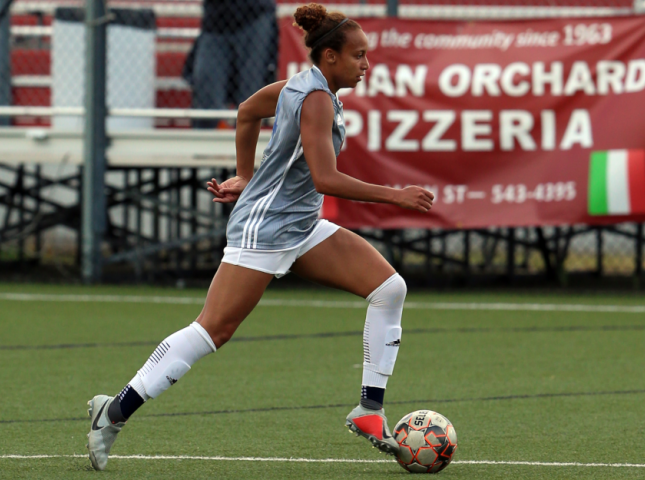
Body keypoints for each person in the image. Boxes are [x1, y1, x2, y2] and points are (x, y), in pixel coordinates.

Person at [86, 3, 435, 471]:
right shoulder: (314, 97)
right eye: (358, 56)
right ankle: (113, 412)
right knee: (213, 330)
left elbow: (247, 111)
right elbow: (325, 178)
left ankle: (369, 409)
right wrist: (396, 195)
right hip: (267, 229)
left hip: (301, 226)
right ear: (330, 56)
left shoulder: (306, 86)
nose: (366, 64)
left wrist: (247, 175)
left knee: (389, 288)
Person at [184, 0, 278, 129]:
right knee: (207, 96)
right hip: (215, 21)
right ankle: (204, 140)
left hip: (254, 16)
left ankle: (245, 140)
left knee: (249, 98)